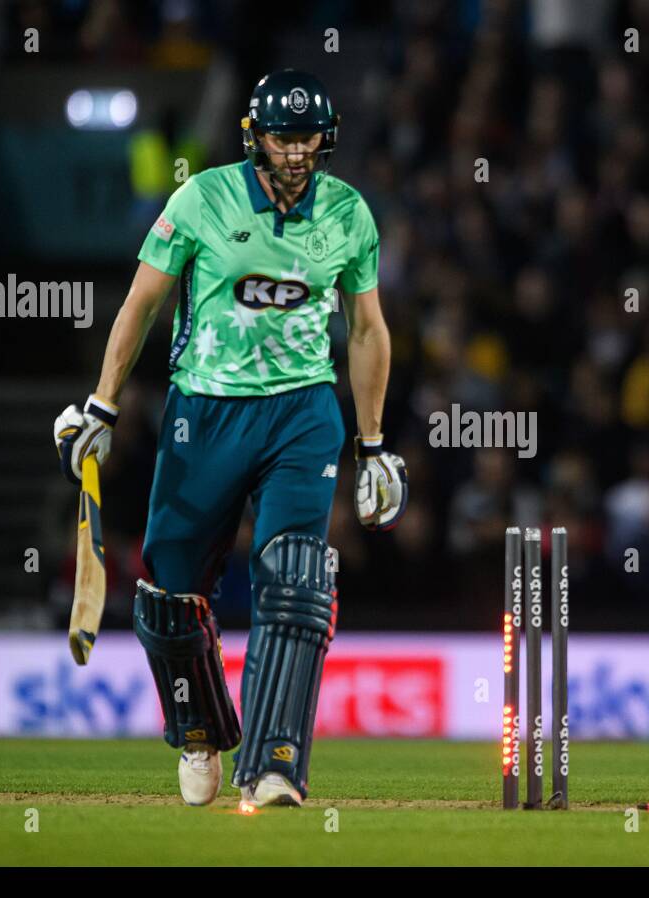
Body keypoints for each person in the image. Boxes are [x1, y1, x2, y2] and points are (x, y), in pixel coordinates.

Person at [53, 69, 407, 808]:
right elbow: (142, 303)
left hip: (302, 412)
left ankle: (277, 762)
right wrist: (102, 405)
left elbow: (367, 329)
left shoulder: (347, 214)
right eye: (283, 138)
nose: (296, 153)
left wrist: (373, 444)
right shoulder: (200, 199)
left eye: (308, 138)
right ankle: (199, 732)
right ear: (255, 135)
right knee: (168, 594)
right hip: (204, 410)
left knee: (295, 577)